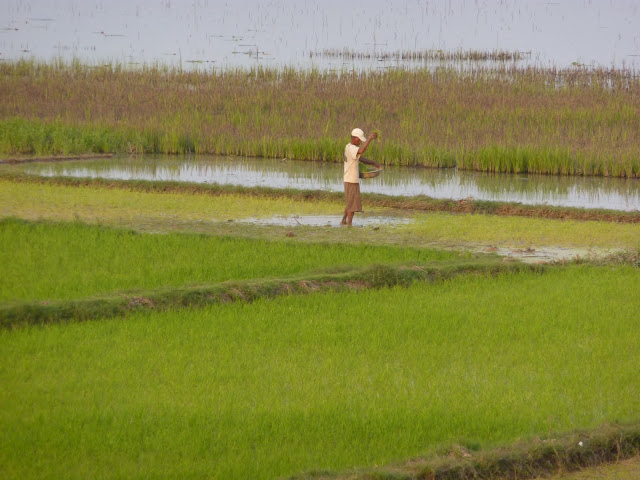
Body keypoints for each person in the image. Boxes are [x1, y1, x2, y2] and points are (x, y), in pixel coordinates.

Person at [341, 128, 380, 226]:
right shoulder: (352, 148)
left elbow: (360, 157)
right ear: (355, 138)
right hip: (351, 180)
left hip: (349, 179)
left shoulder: (348, 146)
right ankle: (349, 224)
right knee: (353, 205)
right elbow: (361, 150)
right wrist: (369, 139)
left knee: (350, 202)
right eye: (359, 140)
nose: (359, 142)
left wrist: (372, 162)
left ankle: (343, 221)